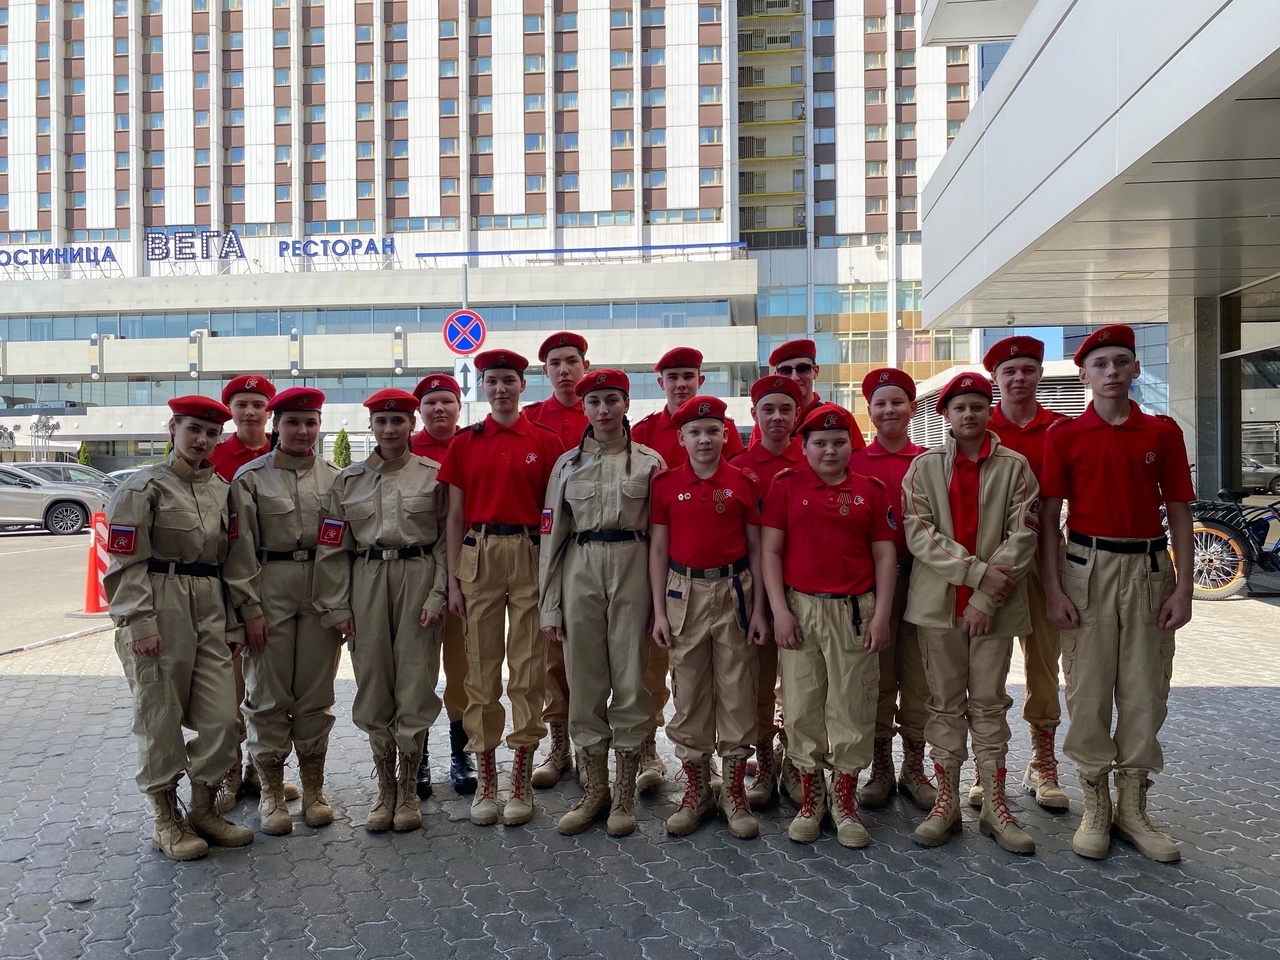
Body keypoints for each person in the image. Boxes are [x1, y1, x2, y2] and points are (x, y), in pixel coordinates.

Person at [1039, 324, 1194, 863]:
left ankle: (1133, 806)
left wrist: (1185, 588)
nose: (1111, 372)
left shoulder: (1161, 433)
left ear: (1134, 369)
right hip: (1087, 567)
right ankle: (1095, 803)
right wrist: (1053, 586)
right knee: (1086, 688)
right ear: (1084, 373)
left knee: (1145, 689)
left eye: (1121, 362)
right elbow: (1048, 516)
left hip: (1150, 569)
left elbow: (1178, 509)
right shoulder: (1064, 437)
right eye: (1100, 363)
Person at [105, 396, 254, 861]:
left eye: (212, 434)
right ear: (173, 428)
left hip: (210, 607)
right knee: (160, 717)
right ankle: (165, 820)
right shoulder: (142, 487)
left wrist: (236, 622)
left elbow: (234, 560)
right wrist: (140, 622)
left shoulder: (222, 489)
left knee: (223, 719)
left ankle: (204, 809)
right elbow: (125, 563)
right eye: (194, 430)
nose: (202, 441)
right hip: (159, 601)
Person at [903, 374, 1040, 854]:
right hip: (938, 609)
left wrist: (984, 597)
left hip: (994, 612)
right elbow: (918, 533)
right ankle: (947, 802)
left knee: (988, 703)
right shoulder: (922, 469)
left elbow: (1024, 533)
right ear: (945, 415)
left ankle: (996, 804)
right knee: (942, 704)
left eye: (978, 406)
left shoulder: (1016, 467)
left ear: (989, 411)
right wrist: (976, 574)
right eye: (959, 407)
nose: (969, 415)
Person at [312, 388, 449, 833]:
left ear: (412, 426)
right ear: (369, 426)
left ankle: (409, 789)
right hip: (367, 579)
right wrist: (337, 605)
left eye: (399, 421)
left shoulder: (433, 475)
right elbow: (332, 548)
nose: (390, 429)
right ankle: (385, 788)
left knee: (416, 679)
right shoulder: (347, 481)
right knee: (373, 682)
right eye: (382, 422)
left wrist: (438, 595)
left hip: (419, 575)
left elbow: (448, 540)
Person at [761, 403, 896, 848]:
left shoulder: (870, 490)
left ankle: (845, 800)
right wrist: (780, 611)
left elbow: (884, 556)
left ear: (851, 445)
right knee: (801, 704)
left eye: (839, 442)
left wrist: (881, 615)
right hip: (801, 608)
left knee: (852, 706)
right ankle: (810, 797)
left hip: (855, 610)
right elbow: (772, 553)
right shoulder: (786, 487)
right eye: (820, 442)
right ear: (804, 447)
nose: (830, 450)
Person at [439, 349, 565, 826]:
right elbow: (453, 516)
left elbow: (555, 517)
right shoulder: (465, 443)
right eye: (492, 381)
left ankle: (521, 780)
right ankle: (487, 778)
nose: (500, 389)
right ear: (482, 386)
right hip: (479, 554)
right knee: (480, 668)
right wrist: (453, 579)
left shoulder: (546, 442)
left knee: (529, 667)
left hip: (530, 551)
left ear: (521, 386)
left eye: (509, 380)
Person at [540, 370, 665, 836]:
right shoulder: (566, 466)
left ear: (626, 404)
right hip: (581, 566)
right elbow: (551, 538)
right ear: (584, 408)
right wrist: (550, 605)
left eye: (612, 400)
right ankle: (595, 792)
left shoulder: (651, 463)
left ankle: (625, 797)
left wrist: (661, 603)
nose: (604, 410)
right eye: (595, 402)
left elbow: (661, 537)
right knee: (585, 681)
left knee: (632, 681)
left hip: (633, 566)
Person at [224, 387, 343, 836]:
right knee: (267, 695)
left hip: (320, 590)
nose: (302, 430)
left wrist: (339, 605)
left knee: (315, 695)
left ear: (319, 426)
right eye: (292, 422)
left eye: (310, 422)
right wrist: (249, 609)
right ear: (277, 426)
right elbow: (240, 551)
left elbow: (341, 547)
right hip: (269, 587)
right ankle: (272, 790)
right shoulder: (250, 479)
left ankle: (314, 788)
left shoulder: (335, 478)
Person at [650, 395, 769, 839]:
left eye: (713, 431)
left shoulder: (743, 481)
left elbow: (756, 548)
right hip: (683, 593)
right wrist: (659, 611)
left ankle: (733, 791)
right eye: (695, 432)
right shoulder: (665, 485)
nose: (704, 439)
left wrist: (758, 609)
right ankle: (697, 790)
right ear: (681, 438)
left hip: (735, 589)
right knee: (690, 691)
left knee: (738, 688)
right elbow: (659, 550)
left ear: (726, 434)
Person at [631, 347, 745, 792]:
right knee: (651, 667)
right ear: (660, 382)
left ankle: (715, 766)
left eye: (689, 375)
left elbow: (730, 489)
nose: (681, 383)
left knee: (715, 676)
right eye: (673, 376)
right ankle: (648, 752)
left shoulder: (724, 430)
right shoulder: (644, 432)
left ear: (700, 379)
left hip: (715, 571)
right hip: (661, 565)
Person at [976, 335, 1071, 811]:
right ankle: (985, 765)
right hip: (986, 565)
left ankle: (1043, 762)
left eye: (1027, 370)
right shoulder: (976, 428)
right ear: (995, 378)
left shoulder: (1060, 430)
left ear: (1039, 374)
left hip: (1042, 559)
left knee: (1043, 665)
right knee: (985, 669)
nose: (1018, 379)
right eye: (1009, 371)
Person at [208, 374, 301, 810]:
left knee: (267, 683)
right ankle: (228, 772)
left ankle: (259, 771)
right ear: (231, 410)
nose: (250, 412)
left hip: (268, 587)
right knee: (228, 688)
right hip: (220, 585)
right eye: (241, 404)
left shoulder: (280, 454)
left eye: (258, 405)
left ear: (270, 414)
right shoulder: (217, 456)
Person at [847, 369, 935, 813]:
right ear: (870, 412)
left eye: (898, 402)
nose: (889, 410)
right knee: (877, 676)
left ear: (912, 408)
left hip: (923, 579)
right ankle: (880, 767)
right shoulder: (854, 462)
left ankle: (914, 768)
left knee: (919, 676)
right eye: (880, 403)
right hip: (873, 585)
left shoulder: (930, 460)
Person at [729, 375, 804, 807]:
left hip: (806, 590)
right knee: (756, 685)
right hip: (751, 595)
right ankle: (764, 764)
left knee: (799, 686)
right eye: (768, 410)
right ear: (754, 415)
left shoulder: (814, 460)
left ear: (797, 416)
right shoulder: (739, 467)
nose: (777, 417)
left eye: (785, 410)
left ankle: (795, 764)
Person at [523, 332, 591, 793]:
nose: (564, 370)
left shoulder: (604, 412)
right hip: (547, 550)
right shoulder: (533, 422)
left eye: (571, 361)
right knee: (553, 651)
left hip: (602, 551)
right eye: (554, 363)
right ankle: (560, 743)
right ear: (544, 372)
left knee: (616, 653)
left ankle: (607, 746)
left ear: (586, 365)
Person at [409, 373, 477, 797]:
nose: (439, 409)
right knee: (416, 669)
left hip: (464, 570)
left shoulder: (471, 444)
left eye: (447, 402)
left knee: (462, 668)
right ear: (420, 410)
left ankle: (461, 752)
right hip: (416, 572)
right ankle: (415, 757)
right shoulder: (405, 449)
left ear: (458, 406)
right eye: (431, 402)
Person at [749, 339, 864, 448]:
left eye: (803, 369)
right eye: (785, 371)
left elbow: (857, 463)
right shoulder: (765, 423)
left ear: (816, 371)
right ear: (776, 375)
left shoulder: (839, 416)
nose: (795, 377)